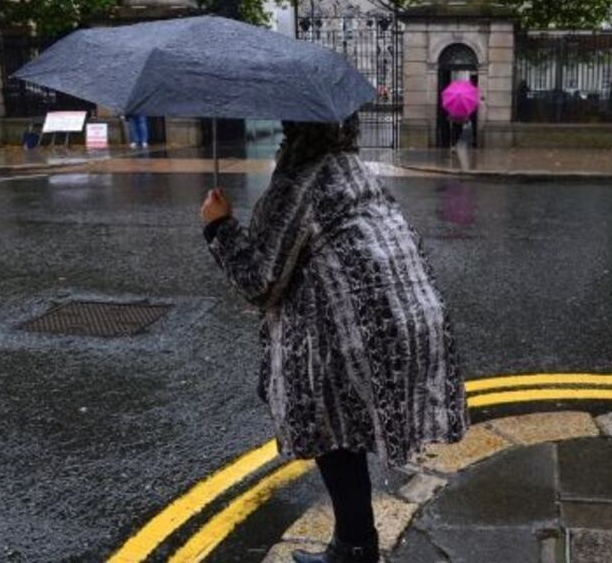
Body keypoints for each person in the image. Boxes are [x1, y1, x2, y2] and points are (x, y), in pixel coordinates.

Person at [199, 115, 468, 563]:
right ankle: (354, 544)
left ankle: (354, 550)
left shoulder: (301, 181)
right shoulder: (349, 167)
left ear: (293, 128)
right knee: (343, 433)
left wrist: (218, 226)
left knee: (331, 431)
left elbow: (260, 280)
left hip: (352, 333)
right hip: (397, 319)